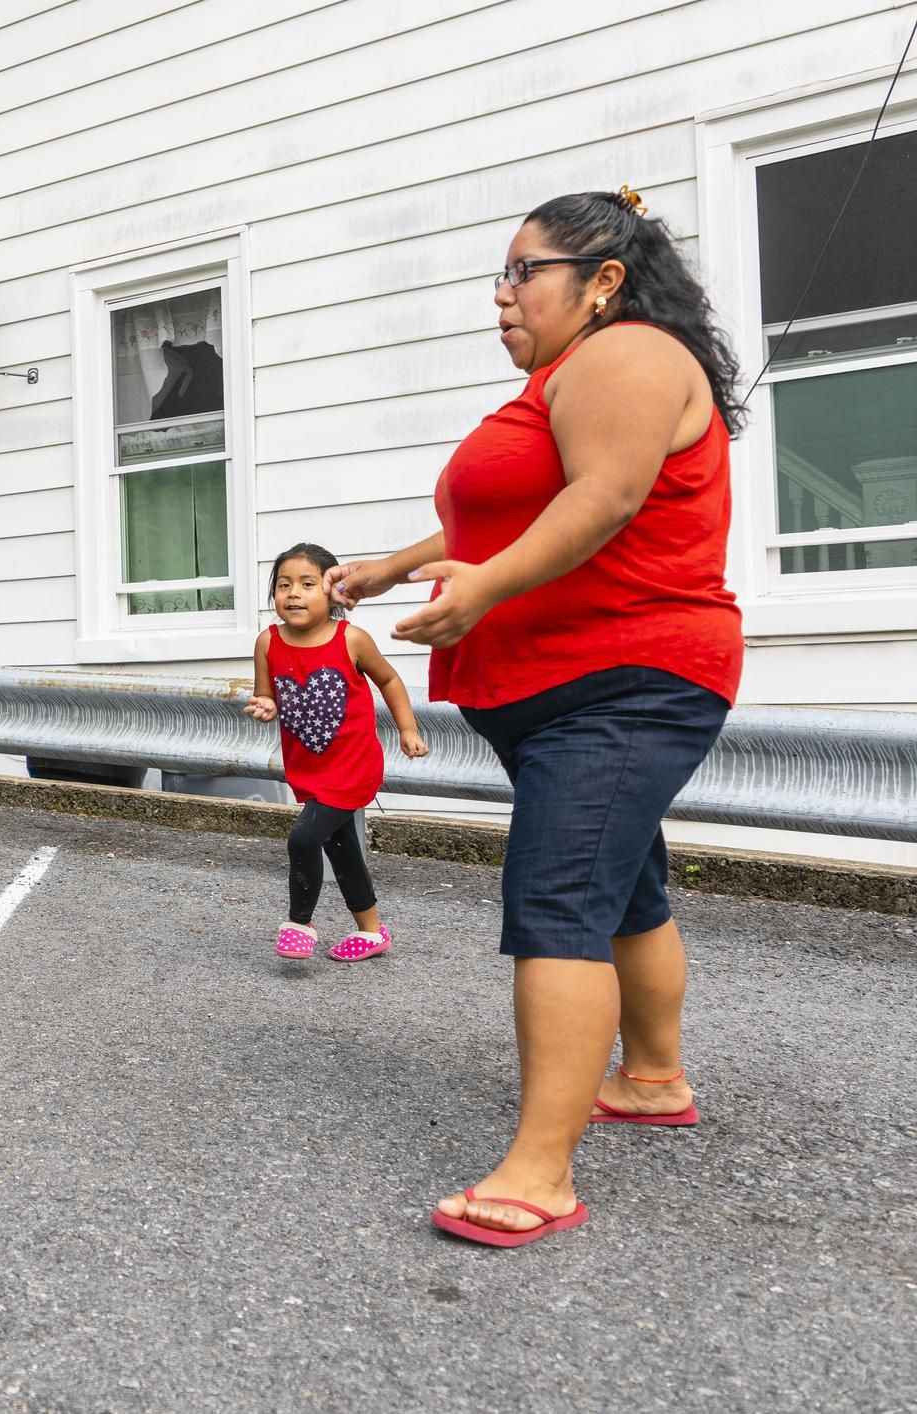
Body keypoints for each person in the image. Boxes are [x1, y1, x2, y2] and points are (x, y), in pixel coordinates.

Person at [329, 188, 745, 1246]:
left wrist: (477, 591)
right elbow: (522, 504)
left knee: (557, 890)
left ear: (601, 279)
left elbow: (600, 497)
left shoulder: (629, 356)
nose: (501, 294)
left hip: (623, 674)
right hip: (566, 682)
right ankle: (651, 1078)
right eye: (500, 274)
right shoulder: (575, 373)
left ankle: (538, 1171)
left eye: (524, 272)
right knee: (622, 885)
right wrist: (399, 564)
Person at [245, 543, 426, 962]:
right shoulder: (267, 643)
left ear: (333, 592)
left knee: (303, 838)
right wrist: (266, 706)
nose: (294, 594)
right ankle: (371, 931)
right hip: (309, 767)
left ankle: (299, 923)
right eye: (284, 585)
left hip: (353, 767)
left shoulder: (352, 639)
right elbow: (265, 695)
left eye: (308, 584)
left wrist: (408, 729)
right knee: (341, 848)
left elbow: (391, 680)